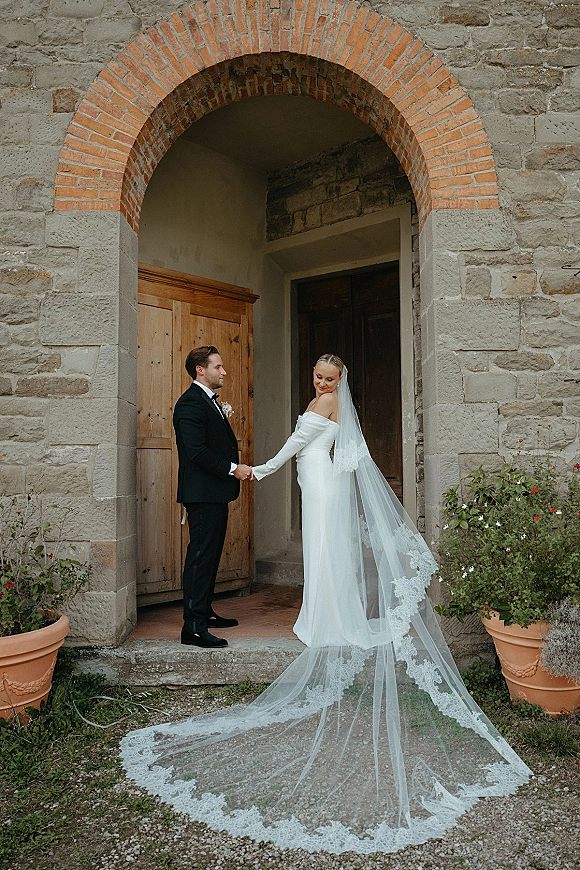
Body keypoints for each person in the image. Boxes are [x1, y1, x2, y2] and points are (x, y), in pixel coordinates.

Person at [122, 354, 531, 854]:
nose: (321, 381)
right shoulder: (236, 403)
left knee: (315, 551)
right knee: (295, 552)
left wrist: (260, 468)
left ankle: (321, 616)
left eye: (329, 376)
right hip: (314, 480)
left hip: (318, 482)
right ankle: (246, 614)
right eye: (317, 375)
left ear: (341, 381)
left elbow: (297, 443)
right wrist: (243, 468)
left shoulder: (327, 403)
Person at [173, 345, 252, 649]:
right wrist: (234, 469)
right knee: (200, 556)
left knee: (210, 554)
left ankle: (203, 612)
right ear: (200, 371)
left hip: (214, 493)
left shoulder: (207, 401)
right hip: (202, 493)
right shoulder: (190, 404)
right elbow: (197, 453)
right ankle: (192, 627)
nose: (224, 372)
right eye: (218, 367)